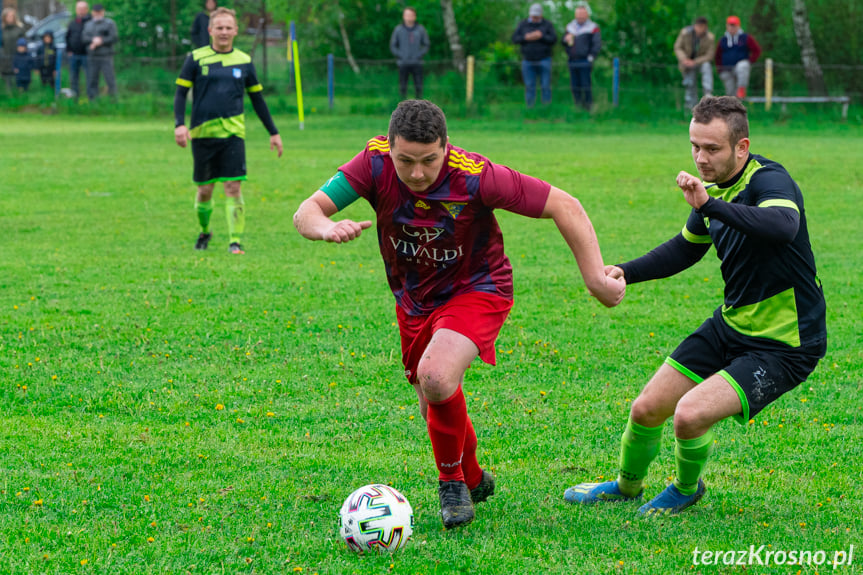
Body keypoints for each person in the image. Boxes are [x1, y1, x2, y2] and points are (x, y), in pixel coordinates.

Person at [293, 99, 625, 529]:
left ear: (446, 148)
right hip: (414, 301)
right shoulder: (372, 164)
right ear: (389, 148)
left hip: (478, 288)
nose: (416, 173)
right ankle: (471, 476)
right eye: (405, 161)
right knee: (433, 400)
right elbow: (307, 211)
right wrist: (325, 227)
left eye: (429, 161)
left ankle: (451, 484)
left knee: (436, 376)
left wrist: (595, 278)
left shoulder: (477, 176)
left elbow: (565, 205)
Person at [564, 96, 826, 516]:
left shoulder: (769, 181)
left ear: (741, 148)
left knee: (688, 415)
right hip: (732, 325)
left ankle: (686, 488)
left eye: (712, 149)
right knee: (647, 408)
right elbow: (685, 251)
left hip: (785, 343)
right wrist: (625, 272)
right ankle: (626, 486)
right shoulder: (714, 194)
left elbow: (782, 226)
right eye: (695, 146)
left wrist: (709, 205)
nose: (701, 159)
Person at [174, 7, 283, 255]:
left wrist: (273, 132)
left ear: (235, 31)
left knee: (233, 187)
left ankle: (235, 241)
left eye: (228, 28)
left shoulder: (244, 61)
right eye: (219, 28)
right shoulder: (195, 58)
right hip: (202, 134)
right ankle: (204, 231)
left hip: (233, 135)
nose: (223, 32)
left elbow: (257, 100)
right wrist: (179, 124)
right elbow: (180, 93)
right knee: (204, 190)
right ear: (211, 30)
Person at [511, 3, 556, 107]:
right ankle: (530, 108)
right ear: (530, 14)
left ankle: (546, 108)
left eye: (537, 16)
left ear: (541, 15)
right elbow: (515, 39)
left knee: (545, 85)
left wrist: (541, 36)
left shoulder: (547, 24)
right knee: (529, 86)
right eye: (533, 16)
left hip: (544, 59)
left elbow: (553, 39)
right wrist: (526, 37)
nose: (534, 18)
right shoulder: (523, 24)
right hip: (528, 60)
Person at [562, 1, 601, 110]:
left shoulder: (593, 27)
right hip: (572, 60)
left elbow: (597, 44)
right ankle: (578, 106)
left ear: (587, 15)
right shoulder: (570, 27)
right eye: (578, 14)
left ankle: (588, 107)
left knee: (586, 85)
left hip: (585, 60)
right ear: (575, 15)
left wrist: (591, 57)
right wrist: (566, 39)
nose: (580, 17)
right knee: (574, 85)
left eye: (582, 14)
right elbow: (563, 41)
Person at [674, 17, 715, 110]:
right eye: (698, 26)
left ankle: (708, 94)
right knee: (690, 83)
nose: (700, 29)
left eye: (702, 26)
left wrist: (695, 62)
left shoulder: (710, 37)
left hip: (700, 62)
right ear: (694, 26)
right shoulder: (685, 33)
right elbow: (677, 47)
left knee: (706, 66)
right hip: (687, 63)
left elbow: (709, 55)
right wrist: (684, 59)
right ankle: (691, 106)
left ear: (705, 27)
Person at [715, 15, 761, 99]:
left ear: (738, 26)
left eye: (734, 25)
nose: (732, 28)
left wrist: (749, 61)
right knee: (730, 94)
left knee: (742, 66)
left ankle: (741, 89)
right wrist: (719, 69)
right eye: (730, 25)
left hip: (740, 67)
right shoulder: (723, 40)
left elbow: (756, 50)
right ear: (727, 26)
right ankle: (732, 110)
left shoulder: (745, 38)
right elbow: (717, 55)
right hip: (726, 69)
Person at [389, 7, 429, 100]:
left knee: (419, 86)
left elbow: (426, 45)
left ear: (414, 16)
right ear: (403, 16)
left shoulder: (420, 29)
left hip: (417, 63)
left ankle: (419, 107)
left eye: (411, 15)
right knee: (403, 86)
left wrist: (419, 55)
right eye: (407, 15)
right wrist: (401, 55)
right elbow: (393, 46)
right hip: (403, 63)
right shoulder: (398, 30)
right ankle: (402, 107)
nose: (409, 17)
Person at [82, 3, 118, 100]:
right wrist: (93, 40)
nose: (98, 13)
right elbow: (84, 38)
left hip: (106, 56)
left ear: (103, 12)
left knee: (110, 80)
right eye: (96, 12)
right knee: (92, 80)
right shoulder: (88, 25)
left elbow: (114, 38)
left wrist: (101, 41)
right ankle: (93, 102)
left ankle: (113, 101)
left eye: (99, 12)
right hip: (93, 56)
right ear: (92, 12)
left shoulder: (110, 24)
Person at [66, 1, 90, 98]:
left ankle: (91, 98)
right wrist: (69, 50)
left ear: (87, 10)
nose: (81, 11)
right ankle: (75, 97)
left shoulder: (90, 22)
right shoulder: (72, 23)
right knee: (74, 78)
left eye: (83, 9)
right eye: (79, 9)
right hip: (74, 55)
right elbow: (67, 37)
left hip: (87, 55)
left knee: (89, 77)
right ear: (76, 10)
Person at [1, 6, 25, 92]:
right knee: (7, 76)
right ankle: (8, 92)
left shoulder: (20, 28)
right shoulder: (2, 30)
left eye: (12, 16)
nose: (10, 18)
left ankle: (20, 91)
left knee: (19, 74)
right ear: (4, 17)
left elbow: (24, 42)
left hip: (17, 56)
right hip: (5, 57)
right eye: (8, 16)